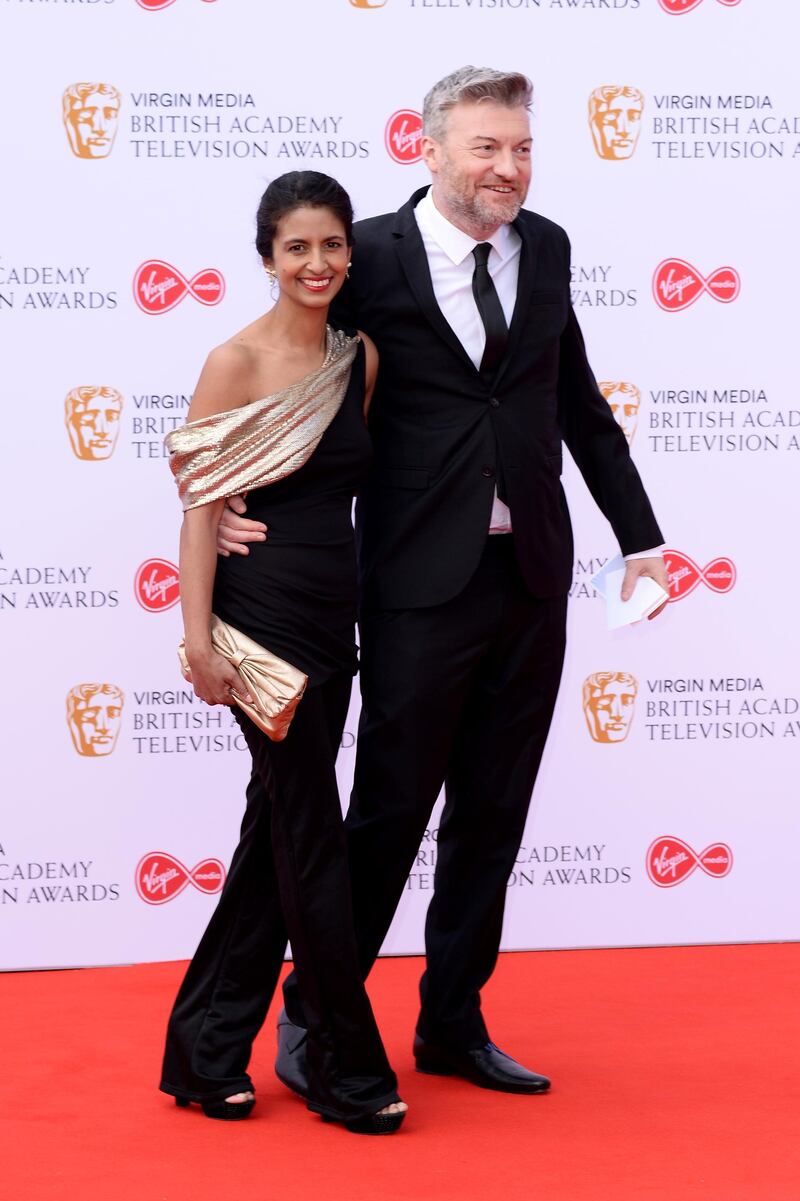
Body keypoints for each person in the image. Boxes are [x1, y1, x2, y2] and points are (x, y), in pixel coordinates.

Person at [219, 67, 667, 1097]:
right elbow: (286, 371)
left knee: (491, 814)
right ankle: (318, 1015)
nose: (505, 167)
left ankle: (451, 1022)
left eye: (518, 148)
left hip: (531, 574)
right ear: (427, 150)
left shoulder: (543, 244)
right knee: (385, 812)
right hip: (419, 579)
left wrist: (637, 538)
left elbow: (576, 401)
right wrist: (233, 496)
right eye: (484, 148)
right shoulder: (365, 253)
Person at [159, 171, 406, 1134]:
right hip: (258, 628)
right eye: (297, 246)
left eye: (333, 245)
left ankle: (205, 1051)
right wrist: (197, 639)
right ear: (266, 255)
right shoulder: (236, 359)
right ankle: (346, 1066)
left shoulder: (362, 359)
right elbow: (195, 507)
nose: (318, 263)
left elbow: (346, 480)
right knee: (311, 837)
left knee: (275, 838)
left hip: (332, 620)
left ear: (351, 254)